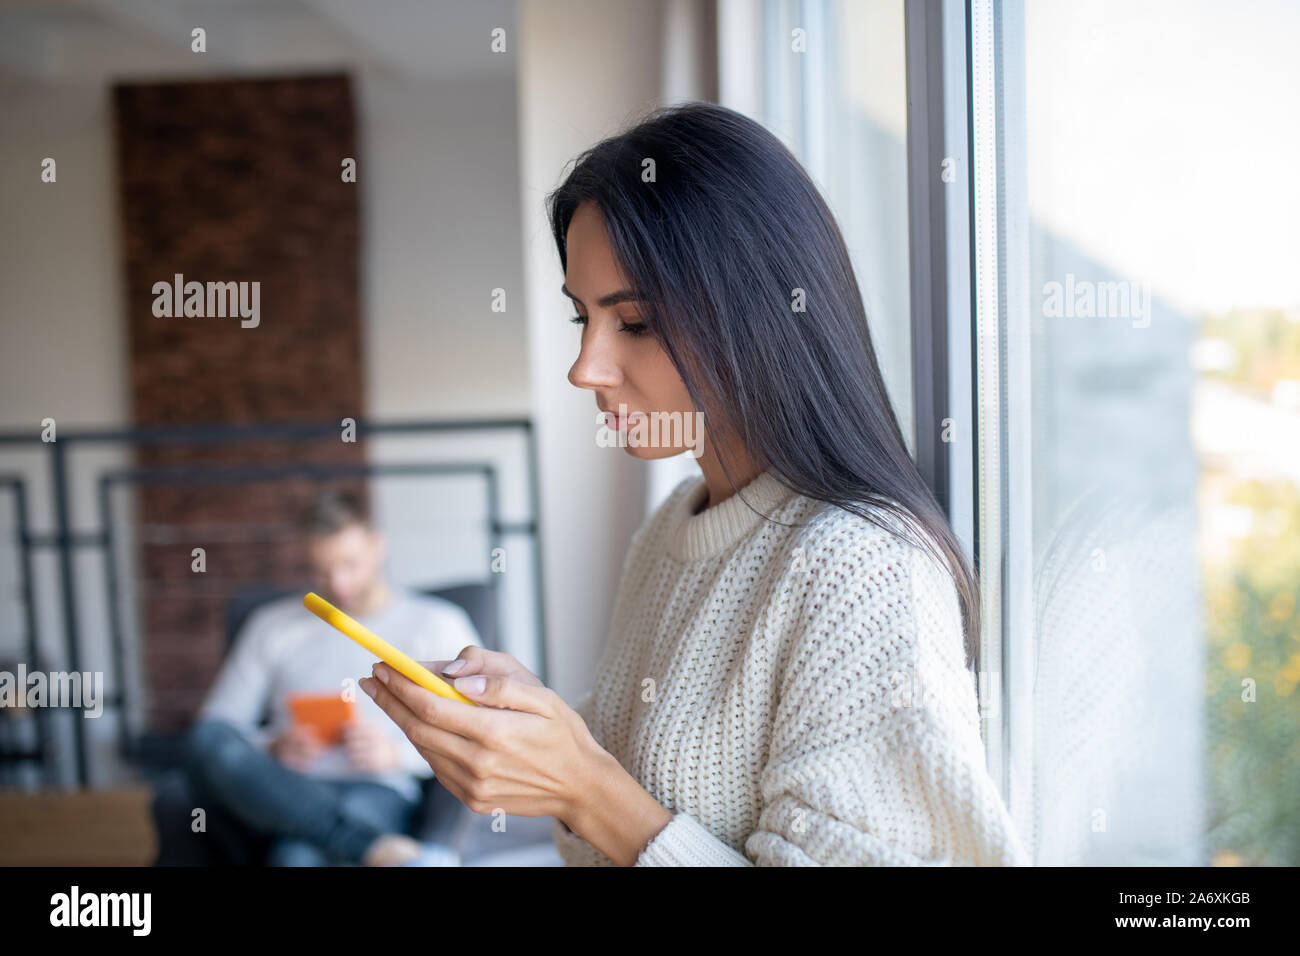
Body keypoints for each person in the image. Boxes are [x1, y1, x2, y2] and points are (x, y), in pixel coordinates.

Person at [359, 101, 1032, 866]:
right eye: (583, 318)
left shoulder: (859, 566)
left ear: (761, 316)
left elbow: (614, 802)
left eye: (635, 322)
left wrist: (583, 787)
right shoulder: (675, 528)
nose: (585, 367)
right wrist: (538, 726)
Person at [154, 488, 483, 866]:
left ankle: (348, 838)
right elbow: (219, 726)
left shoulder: (437, 623)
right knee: (205, 739)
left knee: (294, 857)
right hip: (280, 786)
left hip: (375, 787)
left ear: (377, 546)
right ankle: (373, 848)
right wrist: (273, 747)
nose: (338, 585)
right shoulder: (272, 626)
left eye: (349, 565)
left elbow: (476, 732)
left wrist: (396, 754)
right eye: (321, 571)